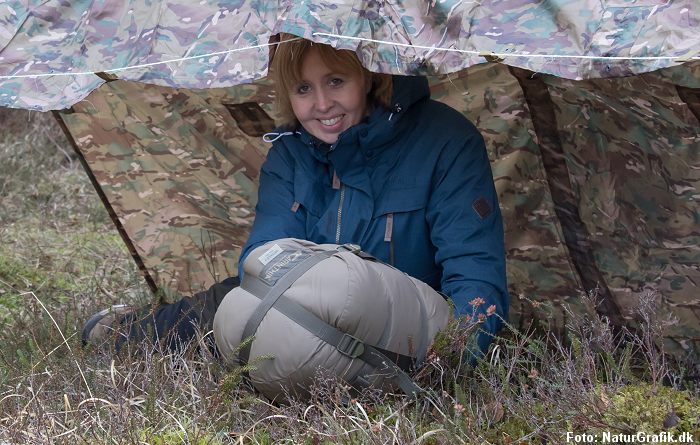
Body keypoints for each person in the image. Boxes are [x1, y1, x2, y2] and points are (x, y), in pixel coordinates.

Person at [83, 33, 509, 360]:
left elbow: (475, 274)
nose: (322, 104)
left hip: (402, 327)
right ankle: (124, 334)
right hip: (304, 319)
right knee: (224, 305)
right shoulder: (290, 154)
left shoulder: (445, 141)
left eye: (336, 81)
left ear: (369, 76)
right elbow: (261, 263)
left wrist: (455, 358)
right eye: (303, 89)